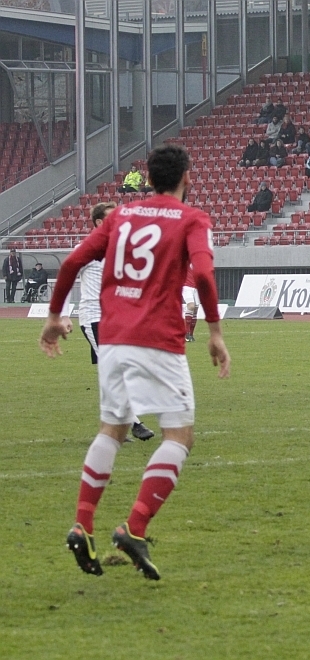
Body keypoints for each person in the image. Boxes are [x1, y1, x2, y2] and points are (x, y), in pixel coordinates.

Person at [40, 144, 231, 580]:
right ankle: (135, 527)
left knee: (112, 429)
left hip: (113, 338)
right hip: (159, 340)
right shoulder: (192, 218)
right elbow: (203, 274)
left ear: (149, 179)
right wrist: (216, 332)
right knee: (179, 435)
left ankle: (82, 525)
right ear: (187, 177)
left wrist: (53, 317)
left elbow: (72, 261)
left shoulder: (120, 216)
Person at [58, 202, 155, 443]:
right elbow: (66, 278)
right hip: (94, 317)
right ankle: (135, 423)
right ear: (100, 222)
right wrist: (64, 314)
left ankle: (113, 428)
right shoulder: (87, 249)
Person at [182, 265, 199, 342]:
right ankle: (187, 333)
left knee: (195, 309)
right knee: (191, 306)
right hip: (186, 286)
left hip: (196, 287)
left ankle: (191, 334)